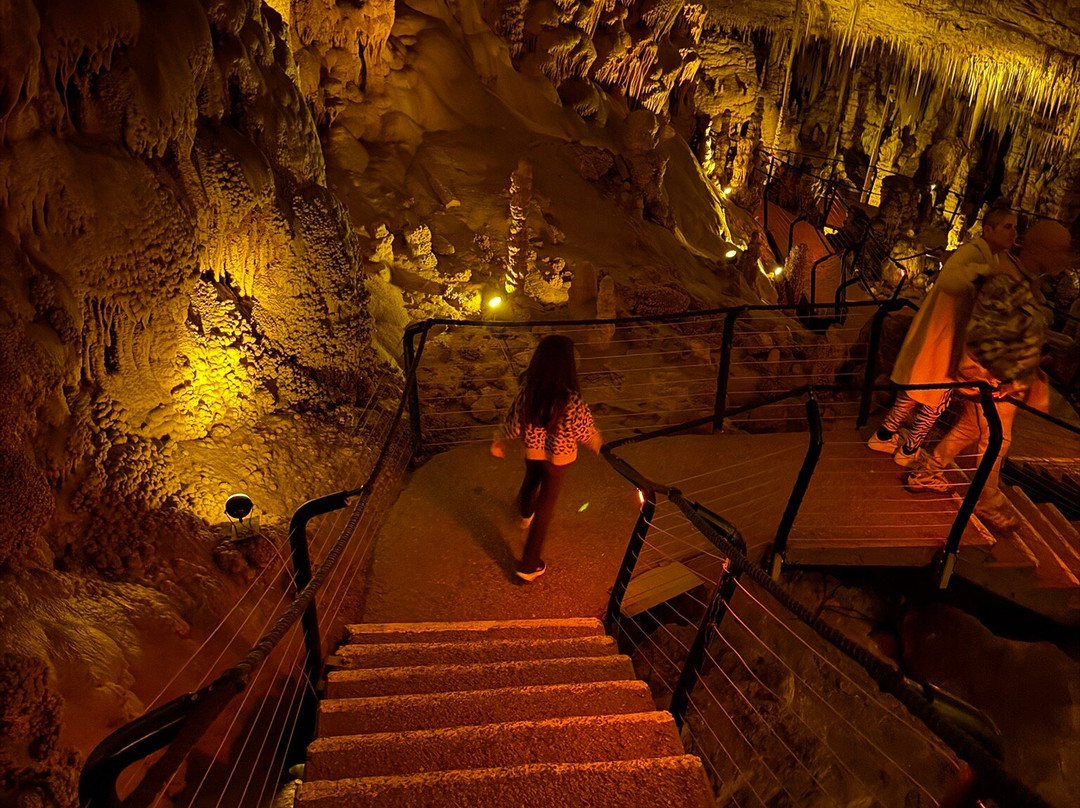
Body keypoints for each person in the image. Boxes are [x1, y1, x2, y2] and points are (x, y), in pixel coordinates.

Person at [867, 204, 1018, 465]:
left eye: (1016, 228)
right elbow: (950, 281)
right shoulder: (973, 255)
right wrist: (986, 275)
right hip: (945, 341)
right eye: (1008, 227)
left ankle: (884, 436)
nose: (1014, 233)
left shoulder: (985, 257)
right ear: (988, 229)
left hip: (939, 337)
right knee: (936, 399)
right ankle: (909, 451)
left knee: (915, 390)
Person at [490, 335, 602, 581]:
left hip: (533, 450)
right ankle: (529, 565)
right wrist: (594, 440)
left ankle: (524, 511)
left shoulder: (529, 391)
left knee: (532, 477)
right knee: (547, 506)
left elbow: (514, 420)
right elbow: (582, 429)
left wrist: (500, 440)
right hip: (559, 458)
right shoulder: (572, 399)